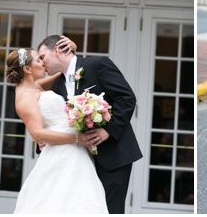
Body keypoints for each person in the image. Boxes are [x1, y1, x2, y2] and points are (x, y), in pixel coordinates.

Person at [37, 35, 142, 214]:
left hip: (113, 155)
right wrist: (44, 140)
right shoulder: (56, 85)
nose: (40, 63)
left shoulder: (98, 65)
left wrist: (108, 131)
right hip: (79, 161)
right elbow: (59, 118)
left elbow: (126, 98)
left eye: (42, 57)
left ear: (56, 50)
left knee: (110, 211)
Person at [7, 38, 108, 214]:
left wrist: (72, 52)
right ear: (27, 69)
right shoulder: (24, 97)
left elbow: (68, 70)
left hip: (74, 151)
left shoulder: (36, 87)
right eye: (39, 60)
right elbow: (38, 134)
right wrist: (78, 138)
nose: (43, 62)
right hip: (63, 150)